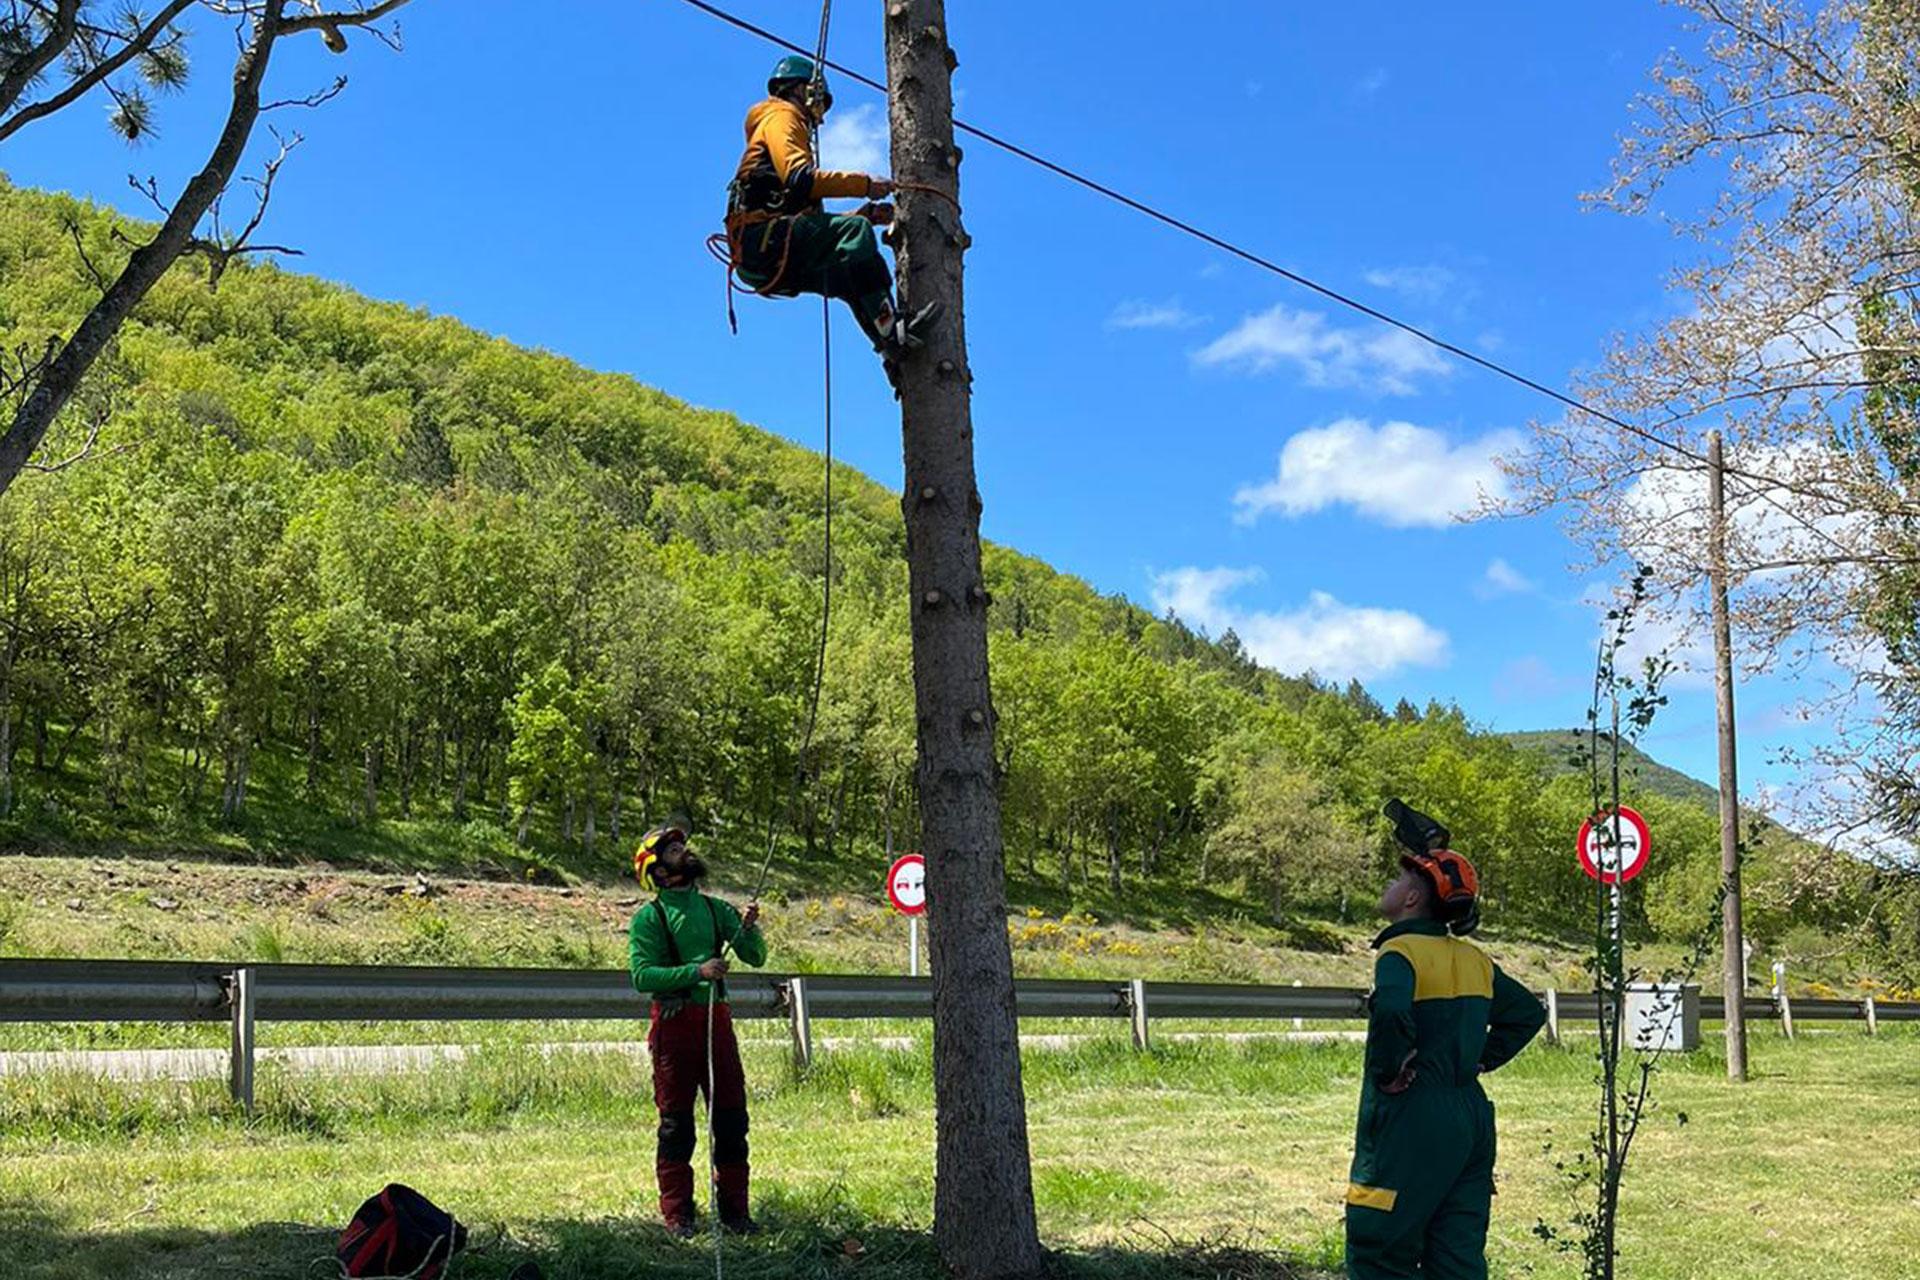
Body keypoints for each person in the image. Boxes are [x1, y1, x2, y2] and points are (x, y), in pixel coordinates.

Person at [1344, 799, 1547, 1280]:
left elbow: (1392, 1009)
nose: (1390, 886)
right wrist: (1479, 1059)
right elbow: (1527, 1014)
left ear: (1413, 900)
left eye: (1398, 881)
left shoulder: (1399, 952)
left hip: (1412, 1117)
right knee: (1457, 1256)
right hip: (1469, 1118)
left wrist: (1389, 1071)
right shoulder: (1475, 960)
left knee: (1380, 1249)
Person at [724, 54, 940, 383]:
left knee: (847, 276)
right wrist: (865, 185)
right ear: (802, 90)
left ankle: (890, 350)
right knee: (853, 233)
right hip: (763, 239)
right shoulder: (783, 115)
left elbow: (809, 221)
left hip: (764, 252)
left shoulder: (776, 127)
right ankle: (892, 328)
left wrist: (861, 215)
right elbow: (800, 178)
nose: (820, 119)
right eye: (819, 105)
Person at [628, 825, 769, 1237]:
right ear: (655, 870)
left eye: (682, 847)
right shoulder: (649, 918)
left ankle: (735, 1215)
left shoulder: (716, 910)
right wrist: (697, 971)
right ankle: (678, 1217)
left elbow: (756, 956)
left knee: (730, 1119)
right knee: (677, 1125)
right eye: (673, 851)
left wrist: (747, 928)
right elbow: (641, 975)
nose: (684, 852)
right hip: (674, 1029)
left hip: (717, 1022)